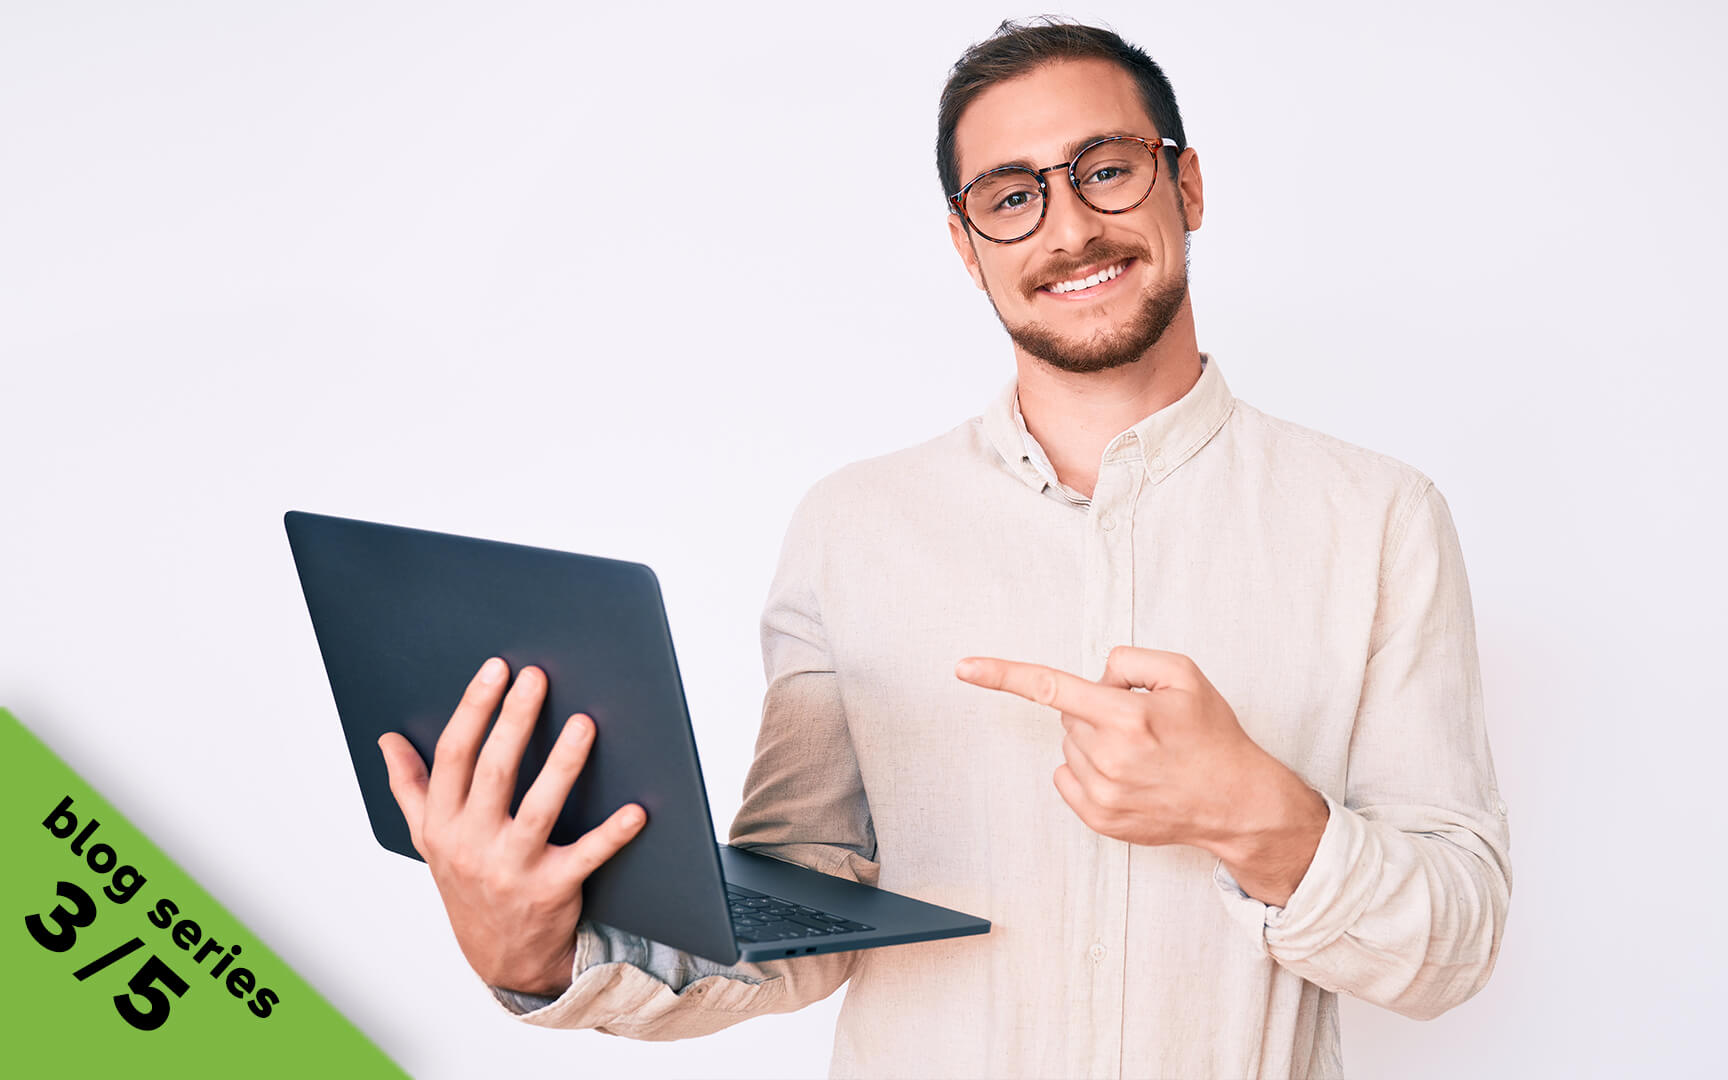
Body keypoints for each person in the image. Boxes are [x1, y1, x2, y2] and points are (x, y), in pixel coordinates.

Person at [377, 17, 1512, 1078]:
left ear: (1188, 185)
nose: (1068, 228)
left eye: (1106, 169)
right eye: (1012, 196)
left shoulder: (1379, 517)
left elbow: (1455, 948)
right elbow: (801, 906)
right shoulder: (851, 525)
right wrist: (537, 953)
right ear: (967, 246)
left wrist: (1251, 812)